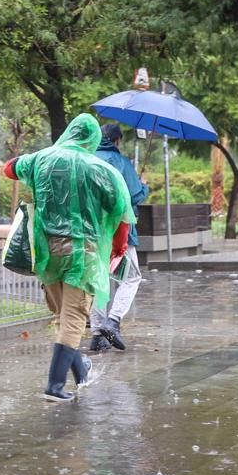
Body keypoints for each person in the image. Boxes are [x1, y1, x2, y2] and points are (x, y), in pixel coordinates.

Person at [4, 114, 135, 402]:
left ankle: (82, 369)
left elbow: (9, 169)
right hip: (83, 253)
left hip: (47, 251)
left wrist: (30, 161)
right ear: (91, 139)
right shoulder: (100, 169)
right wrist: (118, 248)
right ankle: (54, 387)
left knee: (63, 316)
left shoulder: (41, 159)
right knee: (74, 318)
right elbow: (122, 213)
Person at [89, 123, 150, 353]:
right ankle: (113, 321)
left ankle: (97, 334)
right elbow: (134, 195)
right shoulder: (122, 163)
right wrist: (144, 185)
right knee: (132, 277)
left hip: (92, 230)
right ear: (117, 141)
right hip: (119, 231)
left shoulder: (87, 160)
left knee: (97, 280)